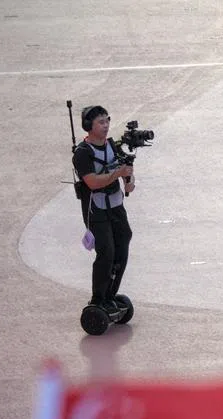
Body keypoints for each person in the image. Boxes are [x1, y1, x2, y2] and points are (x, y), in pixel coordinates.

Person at [72, 105, 135, 311]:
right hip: (96, 210)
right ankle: (98, 299)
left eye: (107, 120)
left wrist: (129, 179)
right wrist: (118, 174)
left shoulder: (112, 146)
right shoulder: (82, 153)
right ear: (88, 126)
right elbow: (92, 182)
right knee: (106, 251)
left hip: (116, 205)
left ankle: (110, 295)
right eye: (101, 122)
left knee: (123, 244)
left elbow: (126, 169)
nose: (106, 125)